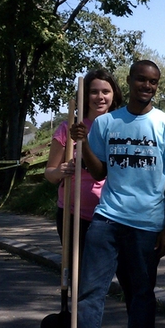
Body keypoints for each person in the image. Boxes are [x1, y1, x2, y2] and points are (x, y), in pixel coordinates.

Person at [71, 60, 165, 328]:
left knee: (141, 293)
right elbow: (99, 172)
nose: (147, 86)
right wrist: (83, 143)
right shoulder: (106, 123)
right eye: (141, 80)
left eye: (153, 82)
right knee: (90, 290)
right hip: (107, 218)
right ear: (129, 81)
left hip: (147, 223)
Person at [45, 68, 123, 254]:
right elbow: (50, 173)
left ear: (114, 95)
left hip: (111, 213)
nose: (100, 97)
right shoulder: (70, 127)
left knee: (102, 268)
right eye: (94, 92)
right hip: (72, 213)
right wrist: (59, 172)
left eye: (105, 91)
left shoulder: (121, 127)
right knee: (76, 267)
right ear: (85, 95)